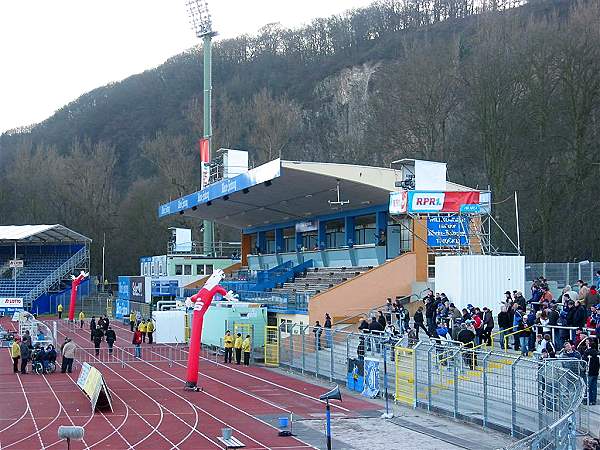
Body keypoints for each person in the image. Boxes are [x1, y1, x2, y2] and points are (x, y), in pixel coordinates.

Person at [584, 339, 600, 405]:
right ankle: (594, 400)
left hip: (589, 371)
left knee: (588, 387)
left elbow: (585, 361)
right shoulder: (597, 353)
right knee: (594, 386)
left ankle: (588, 400)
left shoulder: (587, 352)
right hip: (596, 372)